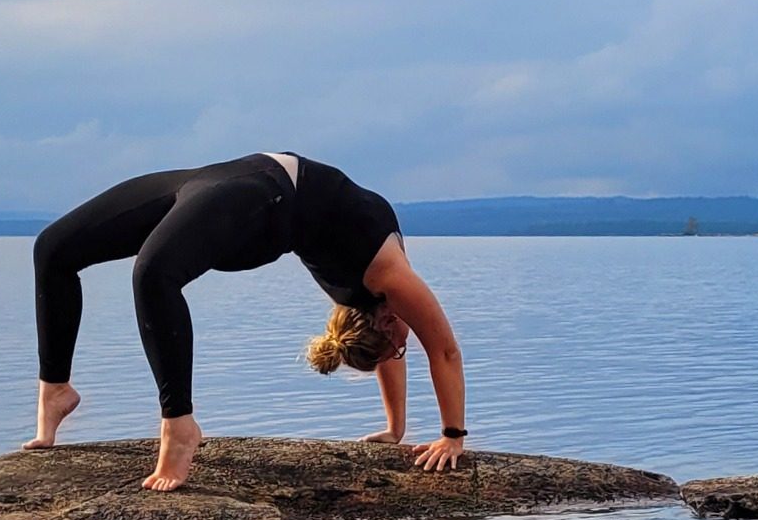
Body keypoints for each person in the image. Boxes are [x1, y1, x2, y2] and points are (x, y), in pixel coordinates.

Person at [27, 152, 469, 491]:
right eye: (399, 347)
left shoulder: (382, 288)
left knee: (154, 274)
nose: (402, 348)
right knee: (53, 249)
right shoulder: (389, 282)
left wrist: (415, 431)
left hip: (259, 206)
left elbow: (401, 351)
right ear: (389, 321)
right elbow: (443, 350)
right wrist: (444, 434)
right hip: (227, 179)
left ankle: (179, 426)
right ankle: (55, 391)